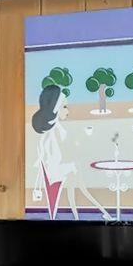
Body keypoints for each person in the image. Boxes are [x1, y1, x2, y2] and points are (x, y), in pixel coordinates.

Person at [29, 79, 77, 216]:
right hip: (54, 180)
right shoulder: (52, 135)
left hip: (55, 178)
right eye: (65, 106)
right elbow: (54, 169)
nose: (68, 110)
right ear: (56, 108)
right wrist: (72, 166)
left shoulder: (54, 132)